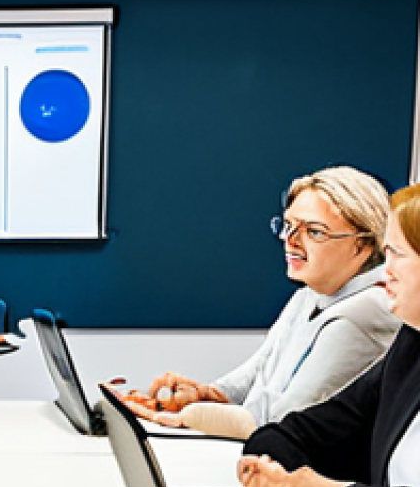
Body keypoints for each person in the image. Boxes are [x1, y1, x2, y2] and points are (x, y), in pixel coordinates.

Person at [124, 166, 399, 439]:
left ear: (362, 245)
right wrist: (205, 395)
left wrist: (180, 417)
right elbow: (258, 374)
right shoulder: (309, 295)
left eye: (314, 232)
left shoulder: (364, 314)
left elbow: (283, 419)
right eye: (289, 225)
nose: (290, 241)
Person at [238, 183, 420, 487]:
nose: (386, 273)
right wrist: (267, 468)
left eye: (397, 254)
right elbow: (307, 429)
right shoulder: (411, 345)